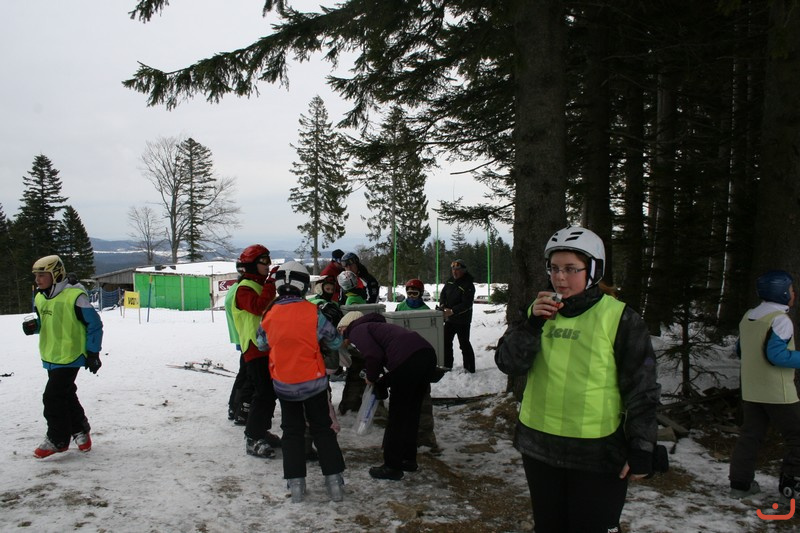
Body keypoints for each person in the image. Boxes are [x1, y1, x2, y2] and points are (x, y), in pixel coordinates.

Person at [495, 226, 660, 532]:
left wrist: (642, 446)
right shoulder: (536, 311)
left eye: (571, 269)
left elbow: (642, 387)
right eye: (554, 268)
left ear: (593, 270)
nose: (560, 277)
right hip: (540, 447)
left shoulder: (621, 318)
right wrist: (531, 325)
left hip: (596, 453)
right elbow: (508, 364)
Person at [259, 261, 346, 503]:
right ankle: (334, 482)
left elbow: (261, 343)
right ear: (304, 285)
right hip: (314, 382)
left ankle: (296, 484)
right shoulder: (313, 312)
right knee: (322, 429)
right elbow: (335, 341)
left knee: (291, 431)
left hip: (284, 384)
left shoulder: (269, 314)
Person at [729, 270, 800, 501]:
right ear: (781, 292)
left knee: (750, 436)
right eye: (790, 289)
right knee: (797, 436)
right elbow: (776, 356)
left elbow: (740, 350)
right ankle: (792, 487)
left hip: (752, 390)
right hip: (778, 391)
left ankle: (740, 484)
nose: (793, 293)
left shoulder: (749, 316)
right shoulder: (780, 319)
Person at [340, 312, 437, 480]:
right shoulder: (377, 327)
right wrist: (382, 382)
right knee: (411, 412)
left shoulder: (356, 330)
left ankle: (392, 466)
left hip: (409, 360)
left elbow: (374, 356)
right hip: (426, 355)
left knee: (397, 416)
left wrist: (371, 378)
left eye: (339, 330)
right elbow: (393, 362)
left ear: (345, 327)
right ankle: (408, 459)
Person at [24, 255, 103, 458]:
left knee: (52, 397)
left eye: (42, 275)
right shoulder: (40, 297)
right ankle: (81, 431)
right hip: (51, 355)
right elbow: (46, 323)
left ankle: (58, 439)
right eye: (36, 275)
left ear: (56, 274)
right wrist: (34, 327)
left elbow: (94, 325)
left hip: (71, 355)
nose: (38, 280)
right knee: (66, 394)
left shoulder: (75, 297)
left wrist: (93, 352)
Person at [232, 244, 279, 458]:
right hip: (254, 348)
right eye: (264, 261)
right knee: (263, 393)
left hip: (266, 347)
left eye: (269, 261)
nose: (268, 266)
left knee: (269, 393)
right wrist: (271, 284)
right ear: (252, 264)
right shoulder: (244, 288)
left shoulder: (258, 285)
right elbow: (258, 307)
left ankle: (261, 431)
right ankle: (252, 437)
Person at [439, 259, 476, 372]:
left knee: (464, 344)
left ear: (463, 270)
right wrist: (442, 305)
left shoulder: (468, 284)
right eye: (453, 269)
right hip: (450, 319)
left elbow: (467, 304)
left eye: (457, 269)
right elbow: (443, 294)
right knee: (445, 342)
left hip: (462, 320)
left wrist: (452, 311)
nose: (454, 272)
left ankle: (469, 368)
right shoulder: (450, 281)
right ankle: (447, 365)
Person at [224, 281, 253, 425]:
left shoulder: (235, 288)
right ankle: (240, 409)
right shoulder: (243, 288)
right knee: (247, 374)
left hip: (243, 337)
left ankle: (235, 407)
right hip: (247, 338)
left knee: (244, 373)